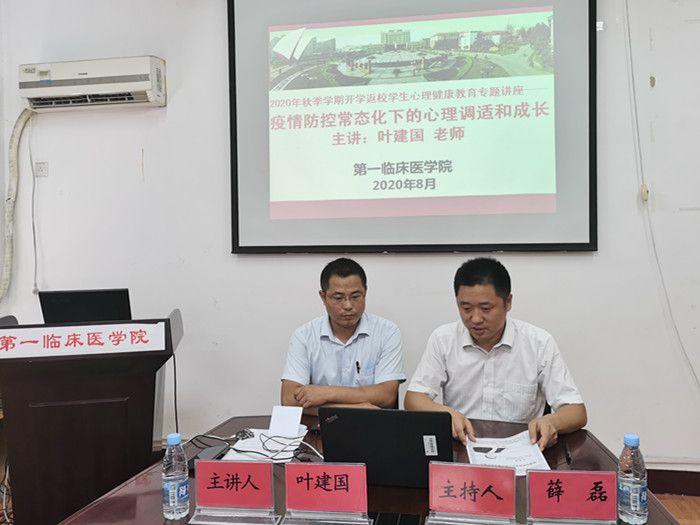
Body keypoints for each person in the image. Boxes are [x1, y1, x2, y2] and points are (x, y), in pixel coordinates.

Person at [405, 257, 586, 450]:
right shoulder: (443, 339)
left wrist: (552, 421)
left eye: (486, 308)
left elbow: (576, 412)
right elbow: (414, 398)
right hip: (462, 447)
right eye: (466, 308)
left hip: (520, 451)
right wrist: (446, 414)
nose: (475, 319)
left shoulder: (539, 343)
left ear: (508, 302)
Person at [281, 258, 406, 415]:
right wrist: (354, 409)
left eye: (355, 296)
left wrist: (326, 393)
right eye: (338, 298)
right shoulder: (304, 336)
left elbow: (386, 396)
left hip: (371, 424)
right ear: (323, 297)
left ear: (365, 292)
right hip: (323, 425)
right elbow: (289, 400)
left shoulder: (387, 332)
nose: (348, 305)